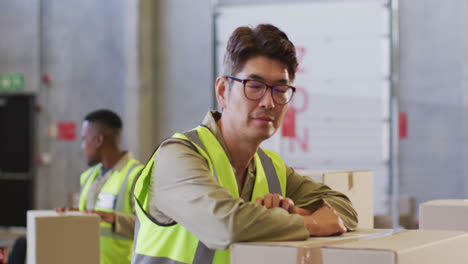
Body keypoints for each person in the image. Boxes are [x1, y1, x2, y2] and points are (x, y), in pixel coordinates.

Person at [132, 24, 358, 264]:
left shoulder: (272, 168)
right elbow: (224, 224)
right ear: (222, 91)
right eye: (254, 86)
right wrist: (310, 222)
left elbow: (345, 210)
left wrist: (293, 212)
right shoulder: (177, 157)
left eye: (280, 89)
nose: (268, 102)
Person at [58, 109, 143, 264]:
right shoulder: (89, 176)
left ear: (98, 140)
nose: (82, 146)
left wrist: (115, 219)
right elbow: (90, 218)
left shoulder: (137, 175)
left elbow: (150, 226)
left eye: (84, 140)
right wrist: (74, 215)